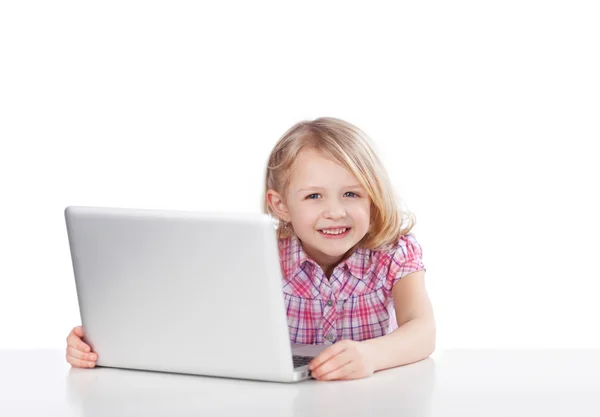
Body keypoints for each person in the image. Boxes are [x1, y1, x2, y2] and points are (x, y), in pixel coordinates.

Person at [66, 117, 436, 381]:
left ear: (373, 197)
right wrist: (104, 342)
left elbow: (422, 330)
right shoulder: (260, 255)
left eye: (352, 193)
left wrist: (370, 355)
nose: (335, 211)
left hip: (370, 400)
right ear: (280, 205)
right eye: (313, 196)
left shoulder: (394, 251)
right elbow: (194, 323)